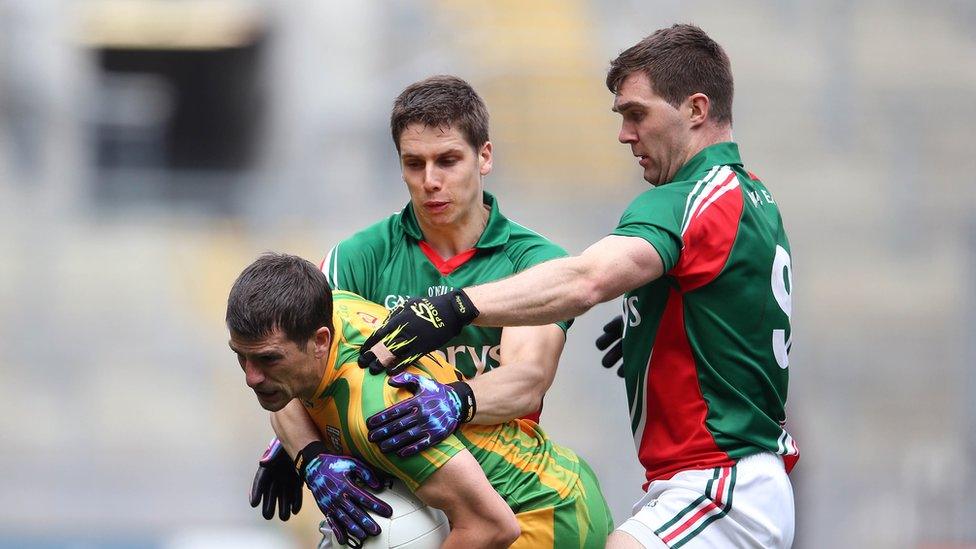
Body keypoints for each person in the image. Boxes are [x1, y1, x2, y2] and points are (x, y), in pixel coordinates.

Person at [359, 24, 798, 549]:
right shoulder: (751, 195)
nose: (625, 134)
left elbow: (587, 279)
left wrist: (453, 307)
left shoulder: (687, 197)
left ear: (697, 109)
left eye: (637, 113)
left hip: (721, 480)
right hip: (711, 483)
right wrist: (659, 319)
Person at [248, 75, 574, 543]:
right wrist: (306, 452)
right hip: (388, 496)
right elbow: (291, 373)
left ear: (484, 156)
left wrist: (455, 401)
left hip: (501, 492)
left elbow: (527, 382)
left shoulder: (535, 264)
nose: (431, 182)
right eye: (414, 163)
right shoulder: (357, 257)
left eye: (448, 161)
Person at [227, 253, 613, 548]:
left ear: (320, 340)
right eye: (240, 356)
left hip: (546, 514)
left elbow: (490, 525)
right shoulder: (331, 306)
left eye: (267, 359)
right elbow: (286, 394)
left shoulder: (378, 411)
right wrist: (308, 457)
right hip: (530, 493)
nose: (251, 377)